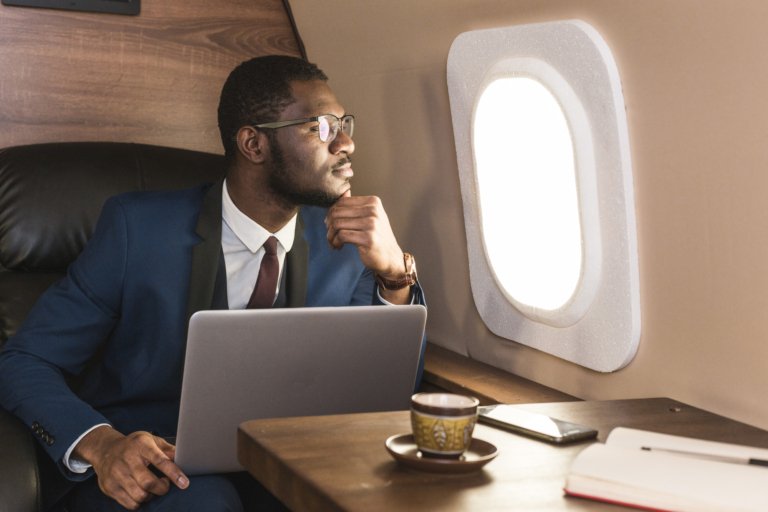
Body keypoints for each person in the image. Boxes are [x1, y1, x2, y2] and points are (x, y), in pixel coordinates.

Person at [0, 55, 425, 511]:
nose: (346, 143)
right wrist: (103, 446)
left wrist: (394, 276)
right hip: (148, 469)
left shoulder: (345, 245)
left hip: (286, 464)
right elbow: (24, 360)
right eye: (320, 126)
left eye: (343, 123)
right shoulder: (136, 230)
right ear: (253, 144)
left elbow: (384, 394)